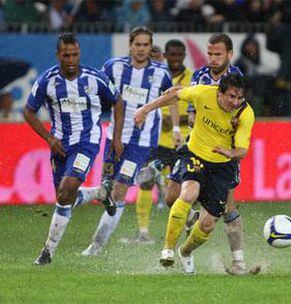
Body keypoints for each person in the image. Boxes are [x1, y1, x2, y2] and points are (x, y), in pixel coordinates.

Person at [134, 74, 255, 274]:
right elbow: (175, 96)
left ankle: (185, 251)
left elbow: (242, 151)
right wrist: (145, 109)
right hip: (194, 154)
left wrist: (230, 153)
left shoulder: (245, 114)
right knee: (186, 194)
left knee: (207, 225)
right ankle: (168, 249)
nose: (235, 102)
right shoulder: (203, 93)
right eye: (231, 97)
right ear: (220, 93)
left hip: (222, 167)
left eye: (239, 98)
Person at [25, 33, 124, 265]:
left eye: (75, 54)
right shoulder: (46, 81)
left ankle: (47, 252)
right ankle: (99, 192)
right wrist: (49, 138)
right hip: (59, 145)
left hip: (87, 142)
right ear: (58, 55)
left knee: (67, 189)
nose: (71, 59)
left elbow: (117, 101)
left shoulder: (94, 78)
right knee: (64, 198)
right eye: (66, 55)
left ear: (79, 53)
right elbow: (28, 111)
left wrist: (116, 137)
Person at [80, 27, 178, 256]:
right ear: (130, 45)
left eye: (146, 45)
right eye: (138, 44)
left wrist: (174, 127)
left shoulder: (161, 73)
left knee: (119, 191)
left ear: (150, 46)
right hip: (115, 137)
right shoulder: (113, 67)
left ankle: (96, 246)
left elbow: (172, 96)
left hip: (141, 143)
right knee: (107, 190)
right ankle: (148, 174)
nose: (142, 49)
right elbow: (98, 92)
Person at [166, 33, 250, 275]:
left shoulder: (236, 79)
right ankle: (191, 217)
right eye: (210, 53)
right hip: (195, 147)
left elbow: (239, 115)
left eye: (218, 54)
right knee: (172, 197)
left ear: (230, 55)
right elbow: (191, 105)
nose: (213, 59)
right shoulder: (200, 75)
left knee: (229, 207)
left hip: (222, 155)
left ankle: (238, 262)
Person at [128, 39, 192, 244]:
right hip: (157, 141)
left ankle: (186, 226)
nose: (175, 58)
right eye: (171, 55)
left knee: (182, 190)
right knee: (146, 182)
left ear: (183, 56)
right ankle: (143, 232)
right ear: (165, 55)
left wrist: (176, 122)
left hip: (185, 144)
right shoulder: (157, 76)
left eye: (179, 55)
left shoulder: (192, 78)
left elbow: (197, 108)